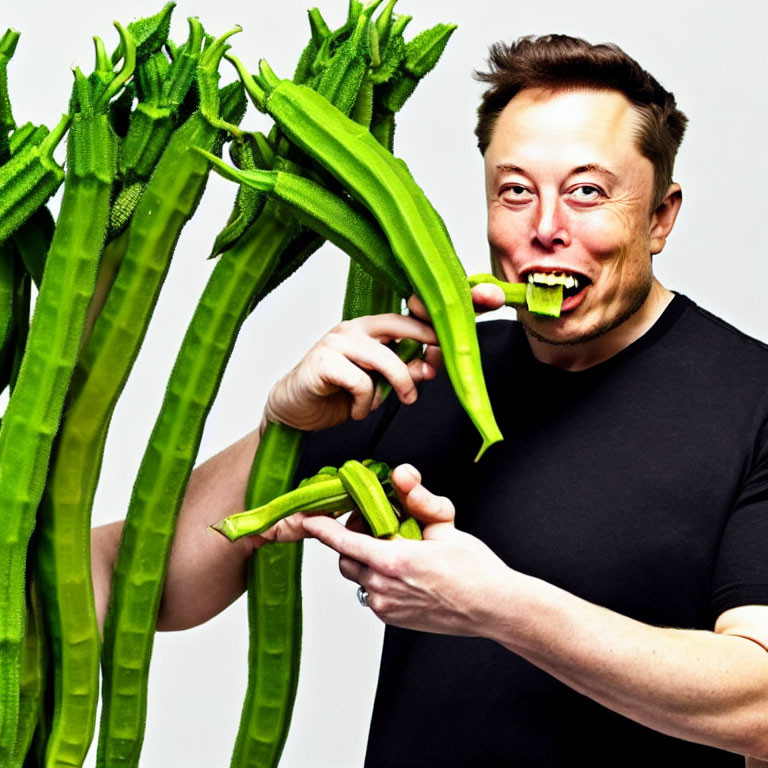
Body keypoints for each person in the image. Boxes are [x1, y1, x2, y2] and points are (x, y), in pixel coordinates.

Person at [93, 35, 768, 767]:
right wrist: (282, 427)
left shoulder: (753, 399)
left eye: (587, 191)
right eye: (516, 191)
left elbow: (759, 705)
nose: (545, 228)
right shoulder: (423, 371)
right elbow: (142, 589)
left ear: (661, 217)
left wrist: (497, 605)